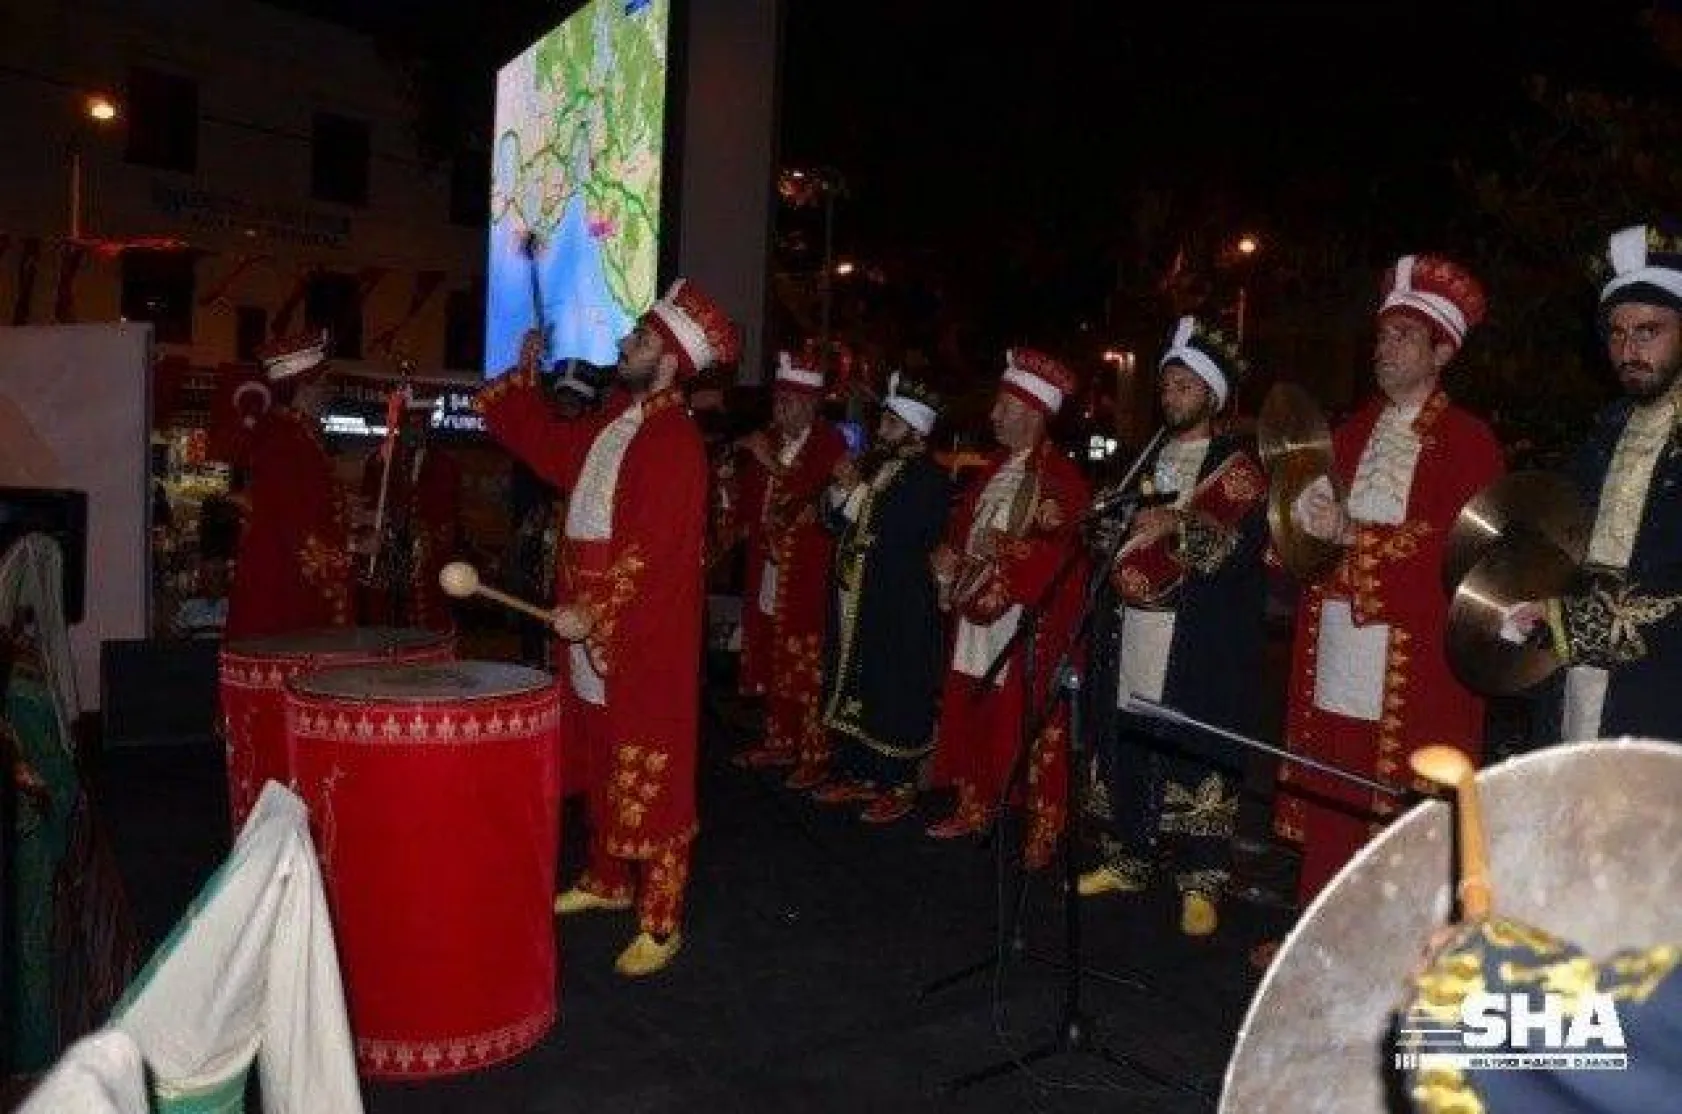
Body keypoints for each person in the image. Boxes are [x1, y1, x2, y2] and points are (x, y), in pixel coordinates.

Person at [475, 278, 738, 977]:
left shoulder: (675, 441)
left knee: (652, 766)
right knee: (598, 749)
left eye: (642, 338)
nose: (626, 343)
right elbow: (547, 447)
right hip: (587, 622)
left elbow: (652, 553)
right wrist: (524, 379)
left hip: (638, 633)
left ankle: (661, 916)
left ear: (672, 359)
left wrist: (597, 609)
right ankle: (606, 877)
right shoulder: (616, 421)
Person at [1272, 255, 1505, 910]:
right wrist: (1297, 521)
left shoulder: (1469, 441)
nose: (1385, 346)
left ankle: (1405, 942)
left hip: (1412, 652)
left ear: (1442, 352)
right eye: (1382, 334)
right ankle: (1322, 927)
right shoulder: (1347, 432)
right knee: (1333, 784)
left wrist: (1355, 538)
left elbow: (1464, 544)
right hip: (1338, 644)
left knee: (1405, 799)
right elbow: (1305, 517)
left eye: (1404, 335)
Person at [1078, 316, 1269, 938]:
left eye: (1185, 387)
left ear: (1211, 396)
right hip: (1133, 627)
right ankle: (1129, 857)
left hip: (1198, 636)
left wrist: (1173, 527)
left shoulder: (1237, 466)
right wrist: (1106, 526)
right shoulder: (1147, 456)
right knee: (1130, 734)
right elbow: (1115, 528)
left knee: (1194, 744)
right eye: (1167, 387)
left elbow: (1229, 548)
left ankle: (1201, 882)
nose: (1172, 397)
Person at [1505, 223, 1682, 744]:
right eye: (1618, 333)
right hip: (1577, 686)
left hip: (1663, 699)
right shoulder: (1604, 435)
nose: (1629, 350)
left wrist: (1570, 623)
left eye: (1648, 331)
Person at [925, 348, 1090, 869]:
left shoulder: (1062, 480)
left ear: (1034, 414)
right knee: (977, 703)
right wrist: (950, 557)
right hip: (980, 612)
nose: (993, 416)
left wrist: (1004, 558)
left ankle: (1043, 825)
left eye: (1004, 407)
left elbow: (1061, 553)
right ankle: (976, 803)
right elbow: (962, 530)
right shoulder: (992, 469)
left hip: (1023, 621)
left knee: (1033, 721)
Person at [810, 374, 954, 824]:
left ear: (915, 429)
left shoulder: (928, 476)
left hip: (900, 603)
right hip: (862, 601)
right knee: (860, 681)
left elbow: (900, 535)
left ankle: (900, 782)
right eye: (884, 421)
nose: (882, 430)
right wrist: (841, 487)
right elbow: (836, 521)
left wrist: (858, 499)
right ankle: (860, 772)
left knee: (895, 687)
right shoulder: (874, 466)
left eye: (892, 423)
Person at [718, 353, 848, 789]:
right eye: (779, 399)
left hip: (809, 576)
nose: (780, 408)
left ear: (811, 405)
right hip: (769, 569)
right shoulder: (770, 438)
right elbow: (749, 505)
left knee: (807, 664)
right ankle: (779, 740)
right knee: (775, 653)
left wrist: (769, 461)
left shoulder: (830, 445)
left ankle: (814, 752)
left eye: (790, 401)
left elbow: (815, 498)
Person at [223, 329, 353, 640]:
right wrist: (352, 546)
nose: (329, 391)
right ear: (303, 388)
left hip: (284, 575)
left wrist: (350, 515)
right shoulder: (286, 441)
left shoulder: (294, 436)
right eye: (323, 382)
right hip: (284, 585)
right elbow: (297, 526)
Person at [354, 387, 463, 632]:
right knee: (384, 616)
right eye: (410, 424)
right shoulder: (379, 462)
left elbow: (447, 515)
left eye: (421, 423)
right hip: (386, 552)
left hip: (423, 556)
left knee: (424, 618)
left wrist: (425, 537)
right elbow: (369, 505)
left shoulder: (444, 465)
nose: (416, 430)